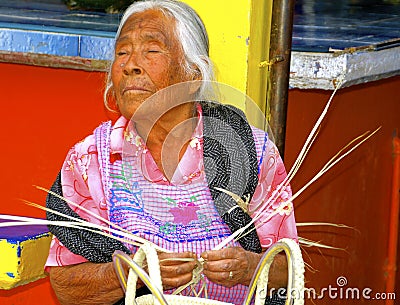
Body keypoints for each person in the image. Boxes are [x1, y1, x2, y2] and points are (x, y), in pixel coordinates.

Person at [45, 1, 297, 304]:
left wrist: (249, 267)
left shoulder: (246, 151)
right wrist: (133, 273)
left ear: (193, 74)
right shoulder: (91, 162)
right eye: (122, 53)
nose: (130, 65)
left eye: (151, 51)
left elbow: (290, 271)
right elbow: (67, 286)